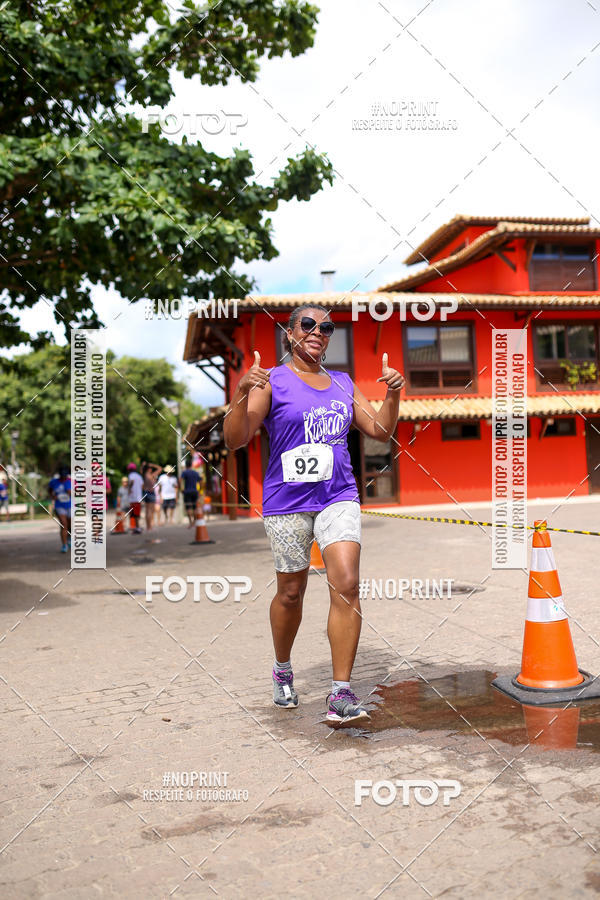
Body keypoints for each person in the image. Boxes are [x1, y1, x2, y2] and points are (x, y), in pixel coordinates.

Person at [223, 305, 405, 728]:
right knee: (291, 592)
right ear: (289, 334)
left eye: (327, 327)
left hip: (338, 495)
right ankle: (283, 669)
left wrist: (393, 393)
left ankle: (340, 691)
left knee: (347, 583)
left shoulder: (342, 383)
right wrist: (239, 393)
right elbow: (235, 439)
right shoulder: (272, 381)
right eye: (308, 325)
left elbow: (379, 430)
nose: (318, 332)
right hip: (287, 502)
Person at [48, 465, 72, 552]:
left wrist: (71, 492)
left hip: (70, 505)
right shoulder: (54, 482)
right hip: (59, 506)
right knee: (63, 524)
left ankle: (69, 539)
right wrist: (52, 496)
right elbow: (50, 490)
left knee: (70, 526)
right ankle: (64, 545)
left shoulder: (71, 481)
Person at [141, 461, 162, 531]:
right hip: (151, 493)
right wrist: (152, 465)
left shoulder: (144, 475)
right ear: (148, 469)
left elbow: (141, 470)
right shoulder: (151, 475)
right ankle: (150, 527)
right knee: (151, 511)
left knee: (147, 511)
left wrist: (144, 466)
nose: (151, 469)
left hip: (146, 493)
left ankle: (148, 526)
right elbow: (160, 468)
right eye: (150, 468)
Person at [180, 459, 201, 527]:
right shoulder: (195, 473)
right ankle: (194, 521)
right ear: (191, 465)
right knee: (195, 507)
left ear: (186, 465)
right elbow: (200, 481)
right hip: (195, 491)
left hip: (187, 492)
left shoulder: (184, 472)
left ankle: (190, 522)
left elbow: (180, 480)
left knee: (188, 507)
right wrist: (199, 490)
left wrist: (181, 489)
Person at [127, 463, 143, 533]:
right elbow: (142, 485)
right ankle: (137, 527)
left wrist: (129, 488)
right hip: (139, 497)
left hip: (133, 497)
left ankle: (137, 528)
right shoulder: (139, 476)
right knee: (137, 513)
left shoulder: (131, 475)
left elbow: (132, 481)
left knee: (135, 514)